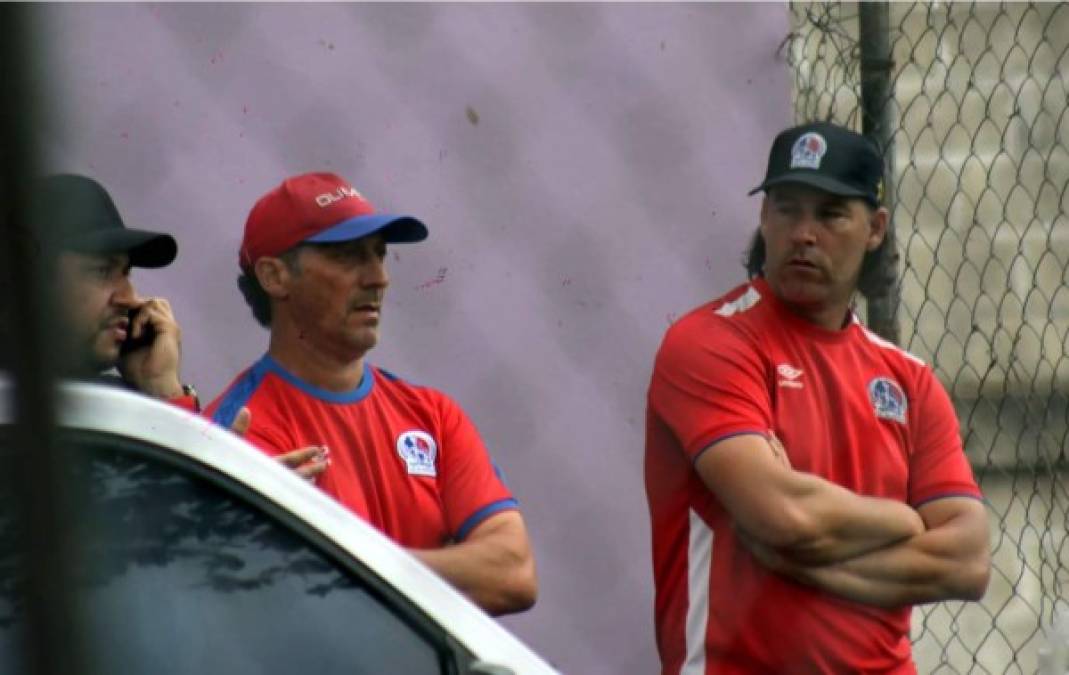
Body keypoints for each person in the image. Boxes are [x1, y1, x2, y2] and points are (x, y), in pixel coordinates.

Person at [645, 121, 991, 674]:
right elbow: (784, 518)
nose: (804, 233)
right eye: (787, 209)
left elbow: (967, 561)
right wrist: (904, 520)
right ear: (764, 218)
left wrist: (805, 563)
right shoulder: (710, 342)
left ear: (875, 229)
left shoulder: (910, 380)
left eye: (830, 214)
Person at [206, 172, 537, 616]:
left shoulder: (432, 415)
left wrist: (352, 567)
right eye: (348, 257)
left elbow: (513, 575)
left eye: (379, 255)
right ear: (275, 276)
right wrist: (446, 572)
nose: (379, 278)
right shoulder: (237, 433)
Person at [40, 174, 199, 411]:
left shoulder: (123, 406)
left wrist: (162, 390)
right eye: (102, 272)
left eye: (126, 273)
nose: (130, 299)